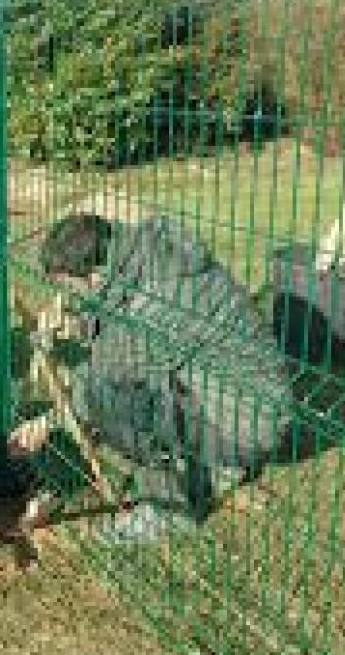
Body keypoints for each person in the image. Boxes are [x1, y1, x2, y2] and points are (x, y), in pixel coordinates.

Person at [26, 212, 296, 533]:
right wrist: (79, 323)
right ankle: (216, 469)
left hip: (249, 424)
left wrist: (48, 422)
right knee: (127, 384)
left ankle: (168, 510)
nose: (69, 295)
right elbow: (114, 310)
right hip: (246, 398)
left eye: (71, 287)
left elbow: (110, 373)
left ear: (95, 275)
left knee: (114, 399)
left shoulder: (155, 306)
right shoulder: (144, 253)